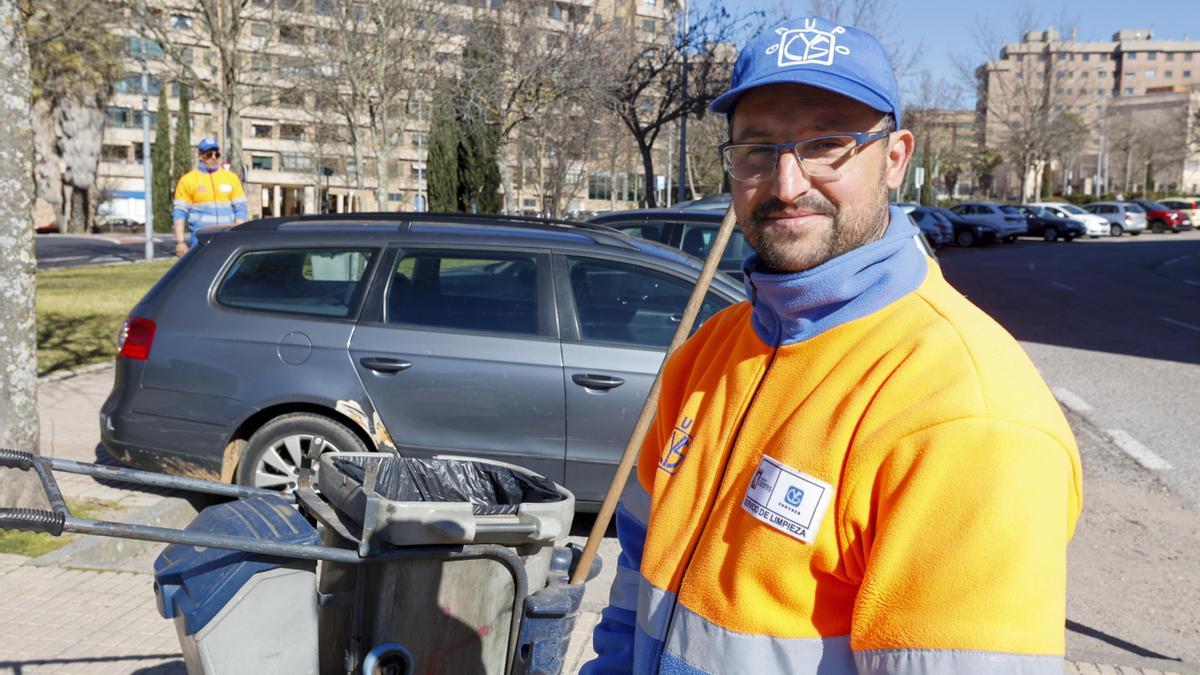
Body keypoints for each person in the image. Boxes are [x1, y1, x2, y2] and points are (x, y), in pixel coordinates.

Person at [582, 16, 1082, 675]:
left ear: (896, 158)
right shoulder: (705, 356)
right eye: (757, 149)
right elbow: (637, 578)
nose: (787, 183)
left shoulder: (967, 415)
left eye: (826, 145)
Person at [172, 137, 247, 256]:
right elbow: (179, 213)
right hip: (201, 240)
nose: (213, 157)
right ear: (200, 156)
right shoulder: (187, 181)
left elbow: (241, 208)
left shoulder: (231, 178)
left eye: (216, 154)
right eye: (208, 154)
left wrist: (237, 233)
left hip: (228, 239)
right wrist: (180, 241)